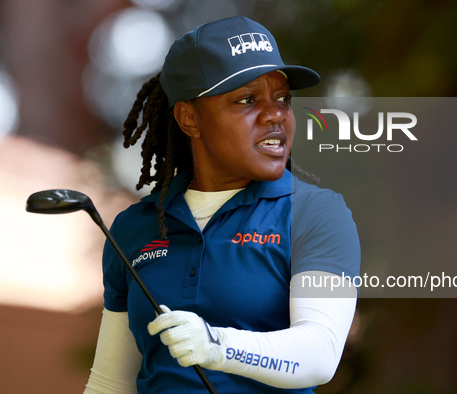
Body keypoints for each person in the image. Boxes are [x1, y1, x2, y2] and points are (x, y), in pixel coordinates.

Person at [84, 16, 360, 394]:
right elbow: (110, 384)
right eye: (247, 100)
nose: (275, 114)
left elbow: (320, 354)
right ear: (189, 119)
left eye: (282, 99)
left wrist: (217, 346)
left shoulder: (315, 213)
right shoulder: (136, 227)